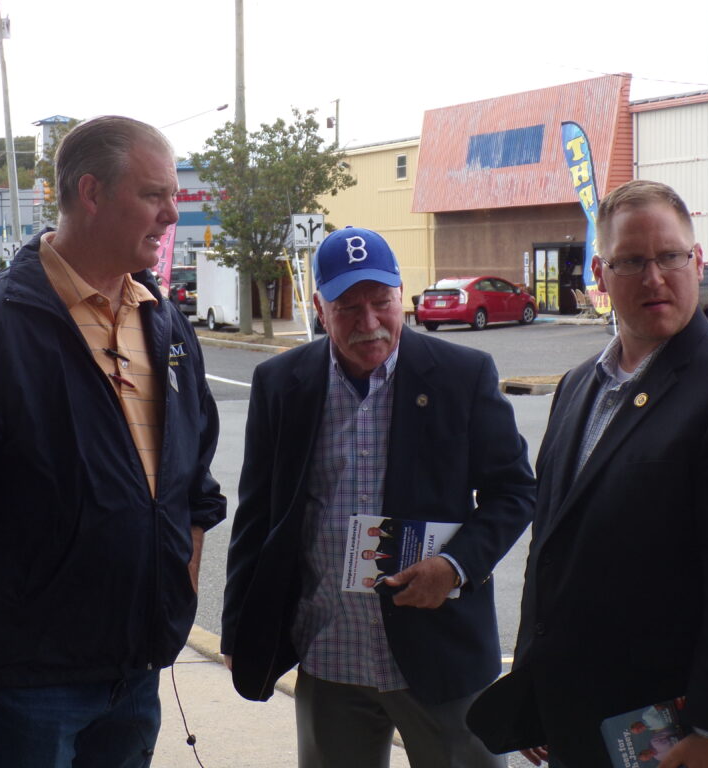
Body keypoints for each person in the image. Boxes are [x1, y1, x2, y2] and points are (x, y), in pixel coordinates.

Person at [0, 115, 226, 767]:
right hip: (29, 683)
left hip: (137, 673)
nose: (172, 214)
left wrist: (177, 596)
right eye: (153, 195)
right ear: (90, 193)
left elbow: (194, 486)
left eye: (173, 195)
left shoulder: (167, 327)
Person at [467, 180, 708, 768]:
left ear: (696, 262)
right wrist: (535, 687)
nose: (654, 277)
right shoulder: (578, 387)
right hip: (580, 719)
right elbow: (552, 550)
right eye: (631, 261)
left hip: (673, 732)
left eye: (670, 256)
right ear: (600, 274)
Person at [221, 226, 535, 768]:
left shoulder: (462, 375)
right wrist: (237, 627)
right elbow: (257, 513)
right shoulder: (282, 383)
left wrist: (454, 566)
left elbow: (514, 492)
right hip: (329, 651)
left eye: (380, 302)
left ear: (400, 296)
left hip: (441, 656)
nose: (368, 323)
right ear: (320, 307)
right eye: (347, 307)